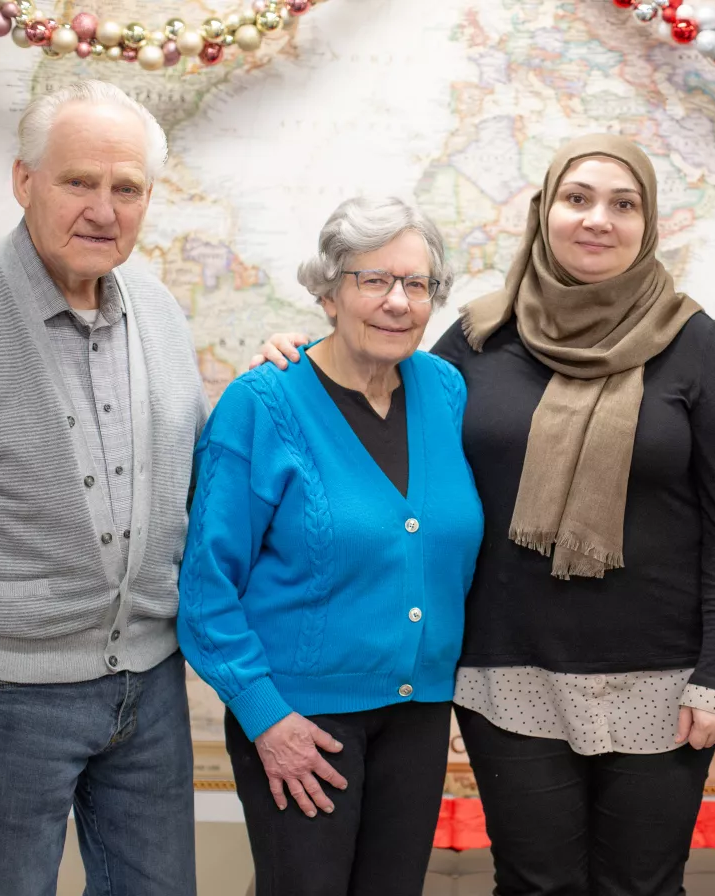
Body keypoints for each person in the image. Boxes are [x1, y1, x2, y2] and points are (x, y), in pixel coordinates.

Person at [255, 134, 715, 895]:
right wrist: (300, 352)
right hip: (506, 673)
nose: (598, 219)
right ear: (545, 212)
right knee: (534, 883)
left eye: (623, 204)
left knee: (644, 885)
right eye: (577, 198)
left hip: (664, 679)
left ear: (648, 222)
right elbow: (374, 388)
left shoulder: (693, 344)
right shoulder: (478, 338)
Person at [179, 196, 483, 896]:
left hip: (419, 712)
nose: (398, 302)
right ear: (327, 291)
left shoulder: (444, 390)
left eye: (417, 284)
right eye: (373, 280)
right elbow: (205, 590)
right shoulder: (262, 404)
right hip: (300, 721)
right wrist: (266, 717)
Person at [0, 81, 208, 894]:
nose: (104, 210)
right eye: (80, 181)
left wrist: (299, 379)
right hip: (3, 698)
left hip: (149, 689)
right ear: (23, 181)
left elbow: (201, 465)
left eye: (127, 189)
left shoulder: (159, 310)